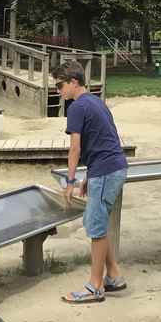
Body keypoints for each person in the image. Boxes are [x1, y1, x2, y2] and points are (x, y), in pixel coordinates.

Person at [55, 60, 128, 304]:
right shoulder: (96, 101)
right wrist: (90, 175)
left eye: (60, 85)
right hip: (109, 168)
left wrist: (70, 180)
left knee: (96, 228)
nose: (58, 91)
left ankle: (95, 287)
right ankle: (114, 275)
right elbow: (104, 140)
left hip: (106, 171)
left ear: (73, 82)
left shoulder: (76, 107)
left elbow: (75, 148)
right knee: (97, 223)